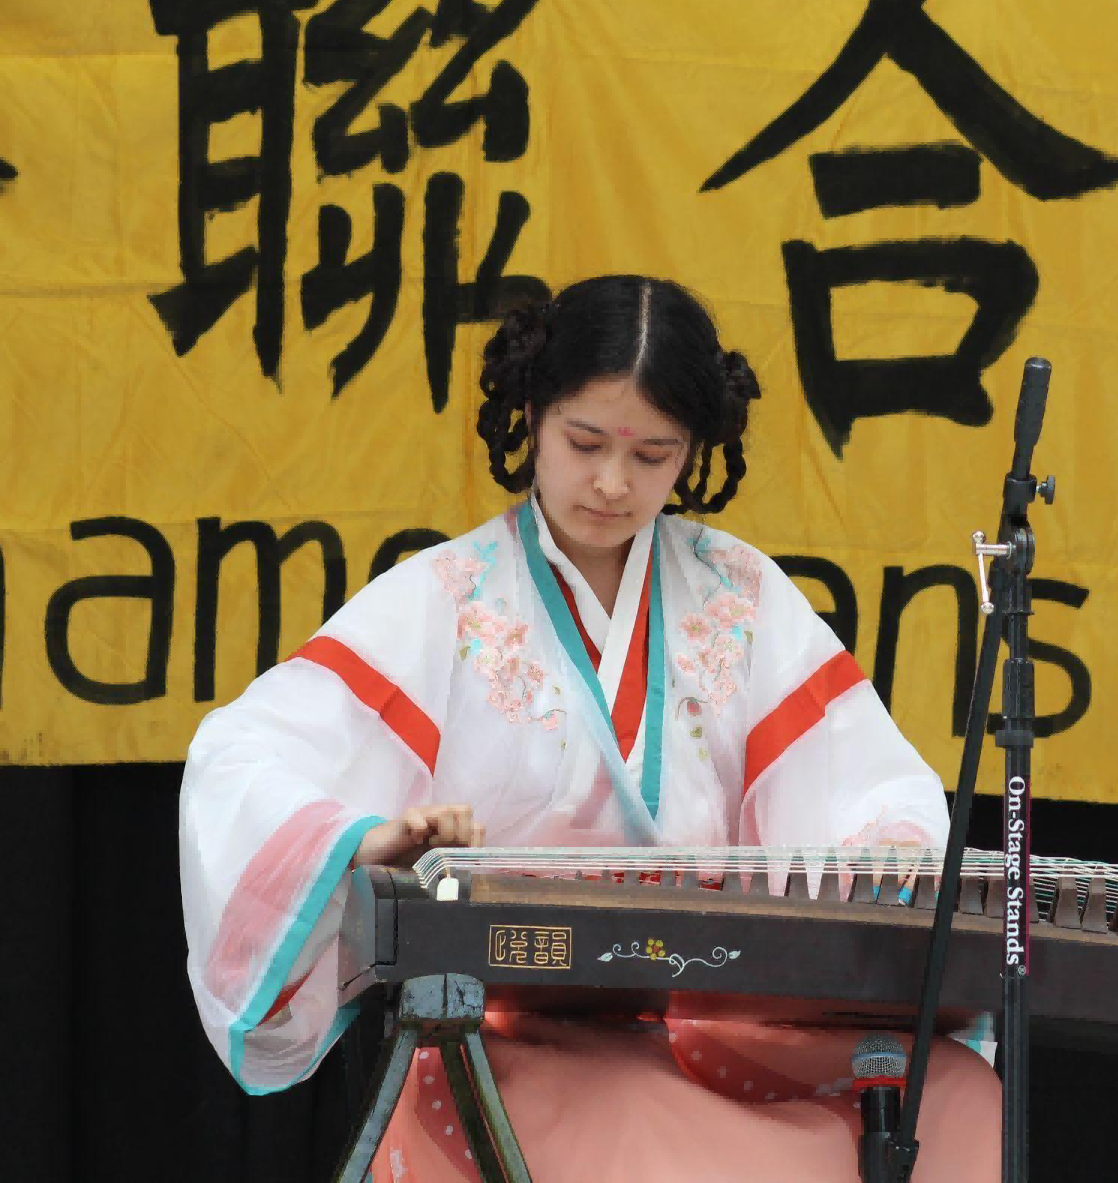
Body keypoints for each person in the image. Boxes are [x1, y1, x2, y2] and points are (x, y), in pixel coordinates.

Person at [178, 274, 999, 1181]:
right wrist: (364, 839)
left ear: (692, 452)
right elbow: (240, 757)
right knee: (645, 1129)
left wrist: (888, 846)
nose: (612, 482)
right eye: (585, 442)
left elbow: (865, 782)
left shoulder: (740, 596)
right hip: (519, 1034)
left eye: (652, 454)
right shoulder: (449, 599)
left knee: (956, 1095)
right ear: (533, 416)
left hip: (717, 1018)